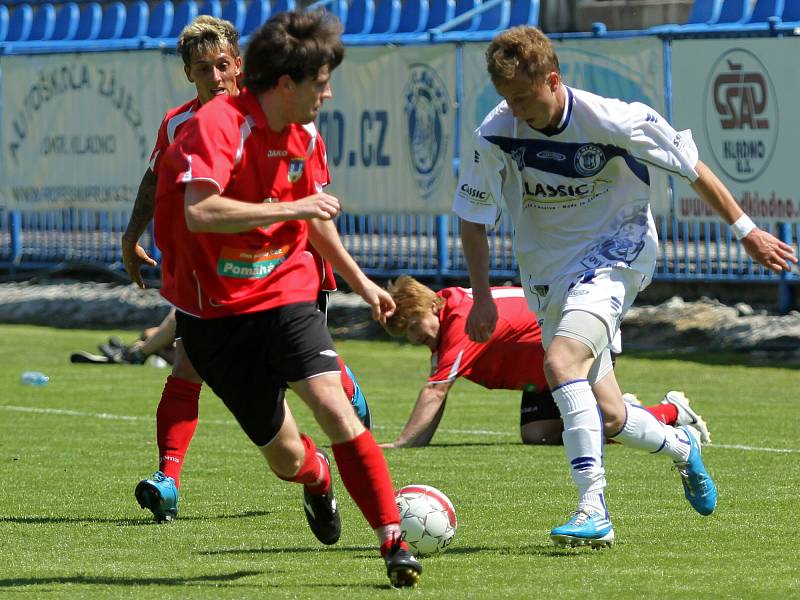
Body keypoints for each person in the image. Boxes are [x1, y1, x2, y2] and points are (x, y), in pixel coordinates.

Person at [455, 26, 796, 548]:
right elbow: (472, 219)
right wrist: (480, 297)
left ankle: (594, 507)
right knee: (610, 416)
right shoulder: (496, 131)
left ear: (553, 78)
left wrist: (746, 232)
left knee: (561, 364)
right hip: (548, 272)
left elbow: (692, 168)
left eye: (524, 97)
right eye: (507, 99)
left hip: (618, 253)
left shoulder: (615, 118)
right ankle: (682, 445)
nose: (517, 109)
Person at [152, 10, 421, 587]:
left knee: (333, 405)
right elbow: (201, 211)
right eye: (320, 82)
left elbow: (315, 223)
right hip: (214, 315)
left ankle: (393, 540)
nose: (327, 93)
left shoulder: (301, 135)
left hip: (286, 294)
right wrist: (293, 209)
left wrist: (361, 281)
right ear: (285, 85)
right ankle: (318, 479)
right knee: (288, 460)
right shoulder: (219, 124)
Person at [119, 15, 371, 525]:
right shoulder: (178, 124)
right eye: (201, 69)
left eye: (221, 65)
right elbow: (153, 181)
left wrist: (346, 273)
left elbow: (313, 205)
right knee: (187, 364)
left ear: (239, 64)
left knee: (312, 381)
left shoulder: (289, 123)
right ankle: (168, 478)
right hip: (211, 280)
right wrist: (130, 237)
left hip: (284, 275)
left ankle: (343, 389)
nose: (214, 76)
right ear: (188, 75)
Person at [379, 275, 710, 448]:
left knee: (607, 424)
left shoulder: (461, 319)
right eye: (404, 334)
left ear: (430, 307)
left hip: (579, 343)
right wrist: (414, 444)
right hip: (545, 368)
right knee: (537, 434)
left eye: (412, 325)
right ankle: (622, 411)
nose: (413, 337)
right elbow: (439, 394)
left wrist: (402, 443)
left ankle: (671, 412)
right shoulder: (448, 317)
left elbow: (436, 391)